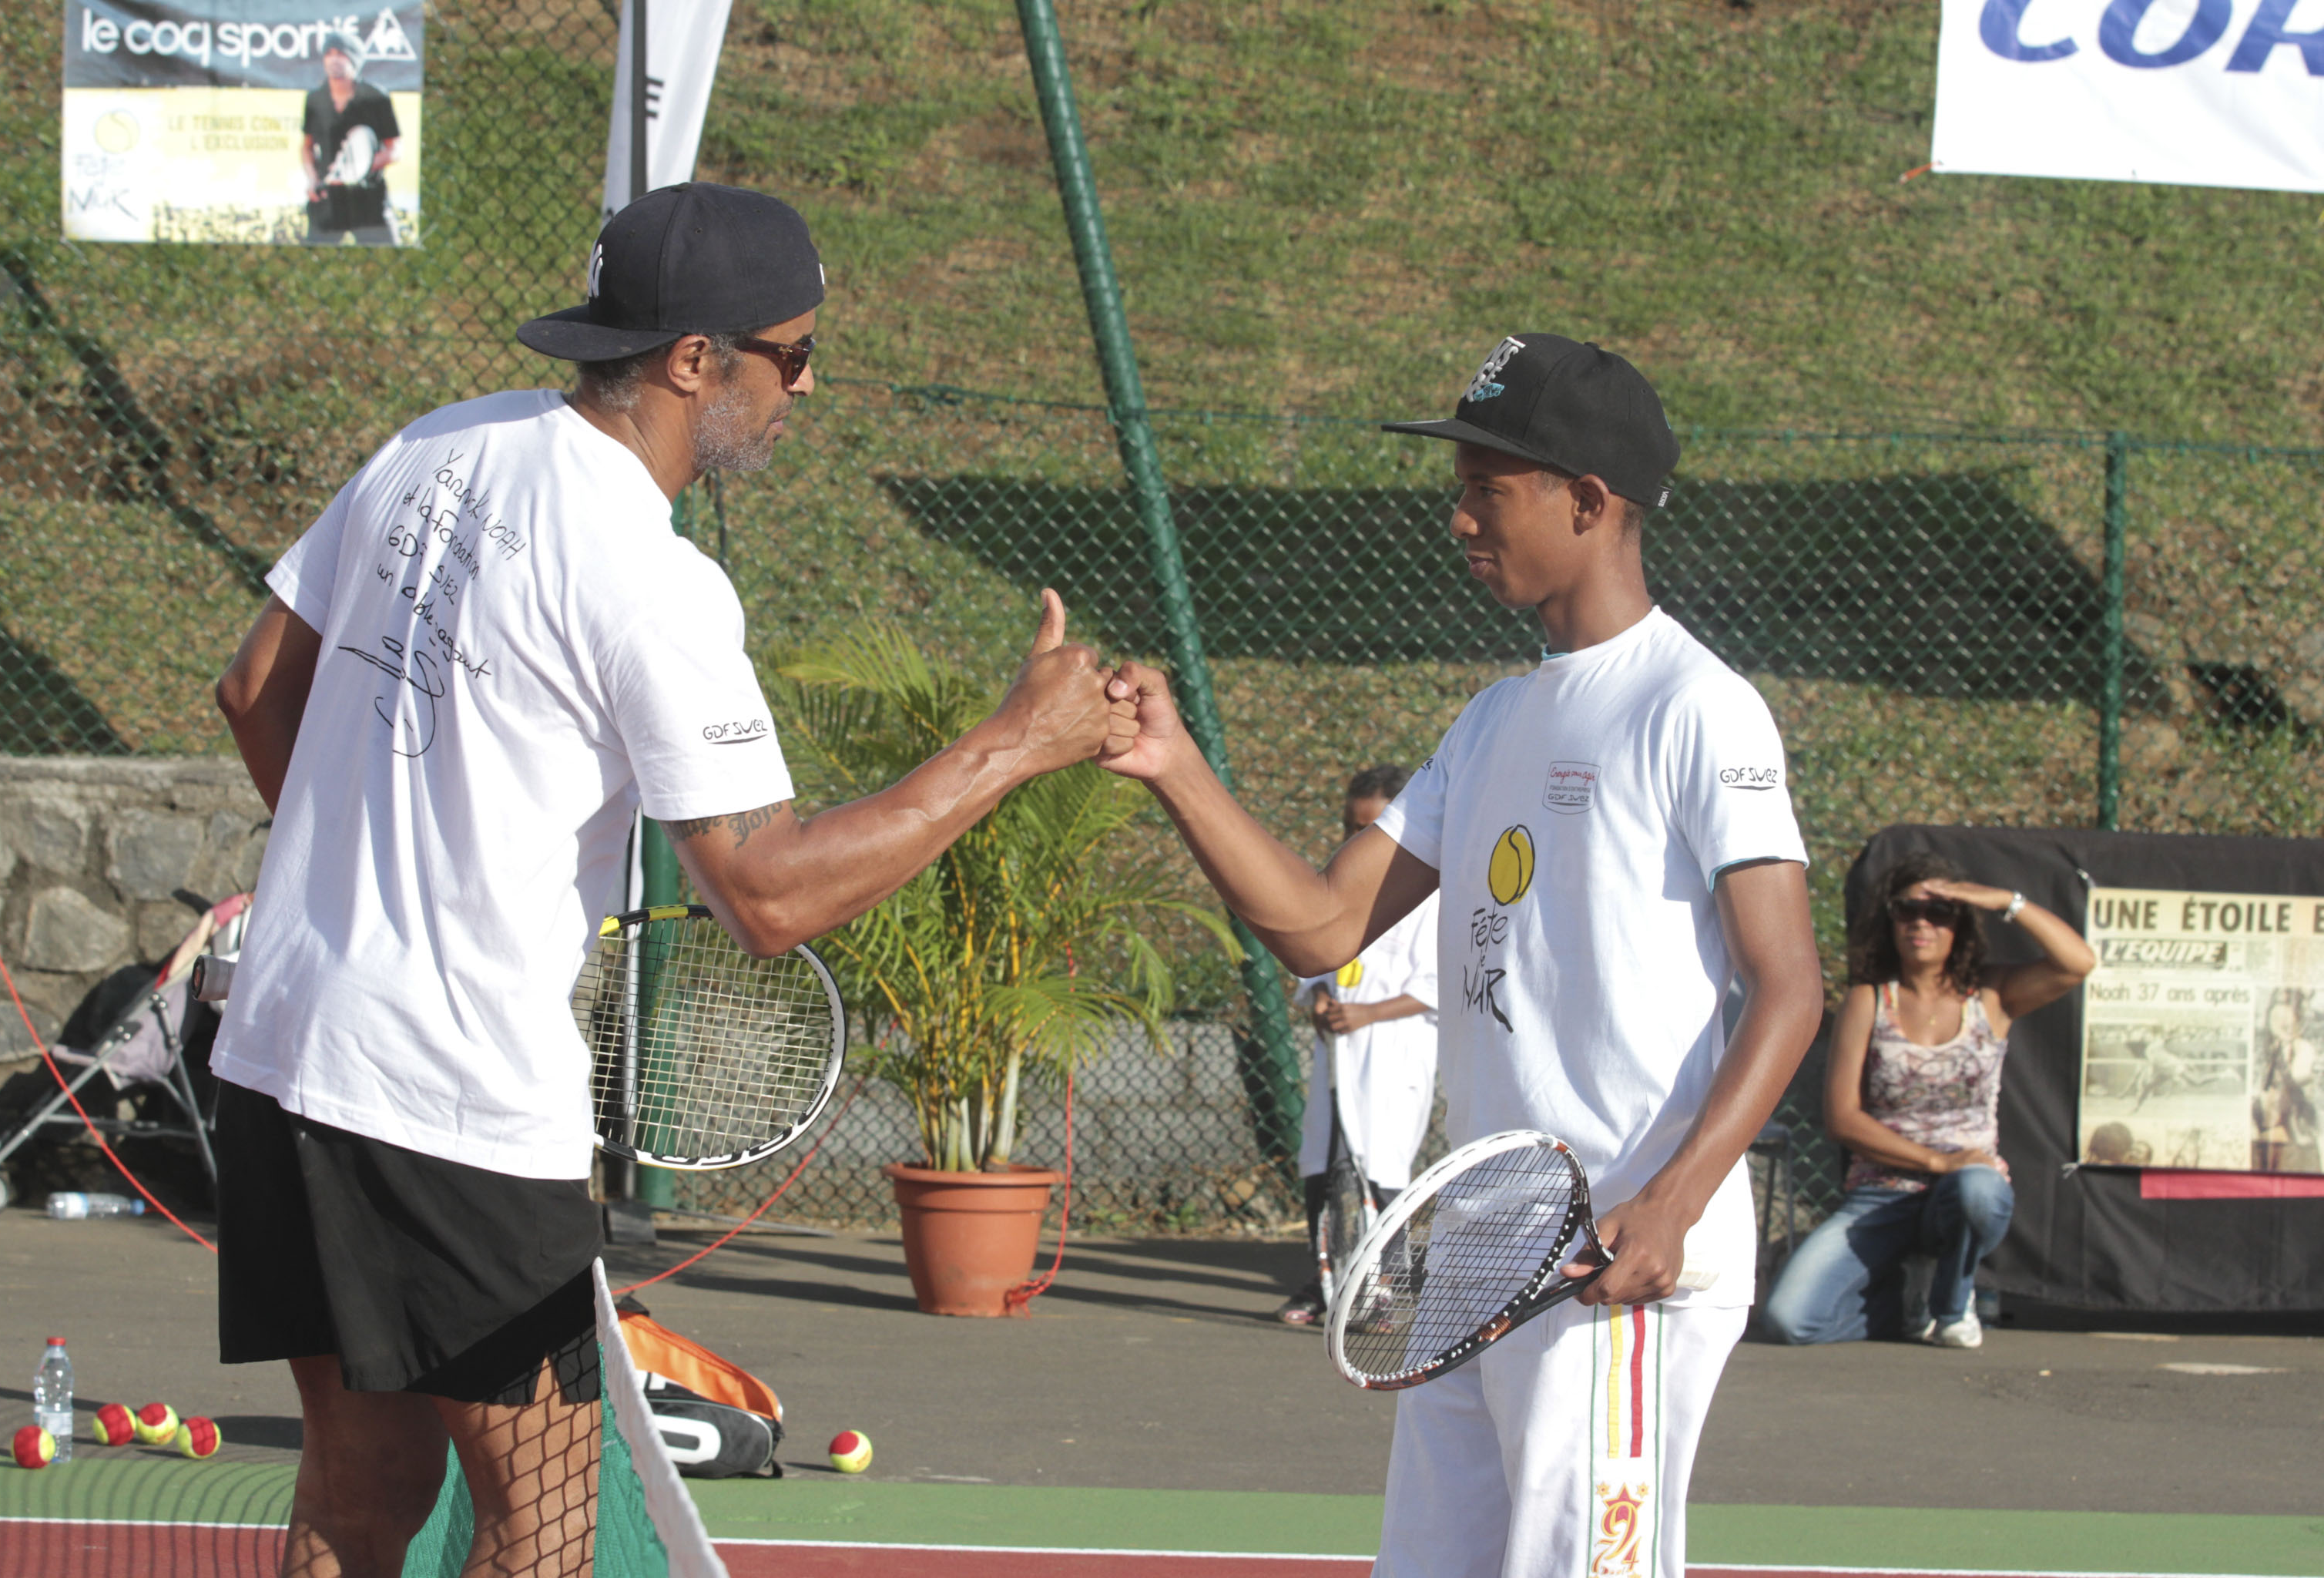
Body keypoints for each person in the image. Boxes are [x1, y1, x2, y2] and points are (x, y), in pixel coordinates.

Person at [209, 183, 1130, 1577]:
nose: (805, 384)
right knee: (548, 1519)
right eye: (792, 353)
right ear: (694, 359)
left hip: (282, 1044)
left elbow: (250, 686)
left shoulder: (432, 445)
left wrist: (375, 871)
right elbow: (763, 895)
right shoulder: (653, 576)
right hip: (451, 1095)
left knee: (357, 1490)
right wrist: (1015, 742)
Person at [1098, 334, 1824, 1578]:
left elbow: (1790, 984)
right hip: (1483, 1237)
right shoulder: (1492, 717)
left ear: (1587, 503)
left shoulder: (1694, 705)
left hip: (1615, 1248)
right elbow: (1324, 927)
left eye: (1489, 489)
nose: (1458, 518)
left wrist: (1673, 1200)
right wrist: (1173, 765)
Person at [1758, 853, 2094, 1349]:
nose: (1921, 923)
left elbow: (2077, 962)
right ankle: (1908, 1303)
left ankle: (1952, 1301)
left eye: (1938, 912)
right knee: (1790, 1320)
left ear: (1960, 922)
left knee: (1979, 1188)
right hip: (1881, 1191)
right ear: (1889, 921)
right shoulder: (1868, 1001)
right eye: (1906, 910)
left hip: (1963, 1190)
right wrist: (1936, 1159)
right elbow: (1843, 1119)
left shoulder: (1991, 996)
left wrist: (2005, 901)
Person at [1277, 763, 1440, 1327]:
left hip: (1394, 1056)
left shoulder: (1432, 894)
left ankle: (1381, 1289)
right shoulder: (1337, 888)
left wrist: (1370, 1012)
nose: (1356, 840)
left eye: (1371, 828)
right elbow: (1317, 960)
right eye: (1351, 827)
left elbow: (1436, 983)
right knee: (1322, 1162)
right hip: (1339, 1054)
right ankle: (1326, 1282)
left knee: (1382, 1163)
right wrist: (1321, 1000)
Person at [302, 29, 401, 246]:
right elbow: (307, 147)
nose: (334, 59)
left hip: (369, 201)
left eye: (342, 54)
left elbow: (394, 150)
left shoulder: (376, 98)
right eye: (329, 53)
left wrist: (356, 170)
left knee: (391, 262)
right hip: (328, 201)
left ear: (355, 60)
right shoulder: (314, 99)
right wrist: (312, 179)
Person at [2251, 988, 2319, 1172]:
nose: (2284, 1026)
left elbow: (2302, 1080)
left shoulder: (2303, 1048)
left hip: (2295, 1124)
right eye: (2278, 1022)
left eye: (2288, 1023)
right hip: (2267, 1124)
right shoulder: (2266, 1048)